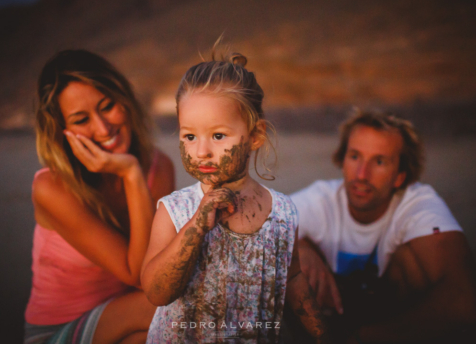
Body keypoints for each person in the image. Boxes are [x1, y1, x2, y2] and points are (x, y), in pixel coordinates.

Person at [140, 51, 331, 343]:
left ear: (255, 136)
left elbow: (292, 280)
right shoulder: (176, 210)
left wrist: (323, 335)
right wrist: (195, 228)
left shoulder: (282, 211)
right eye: (189, 136)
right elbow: (156, 292)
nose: (201, 151)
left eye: (218, 136)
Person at [24, 49, 175, 344]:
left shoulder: (159, 167)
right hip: (57, 332)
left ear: (125, 100)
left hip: (131, 319)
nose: (103, 128)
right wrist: (131, 174)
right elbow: (139, 275)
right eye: (81, 120)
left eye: (107, 106)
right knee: (169, 309)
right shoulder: (51, 188)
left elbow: (160, 265)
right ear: (61, 131)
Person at [291, 109, 476, 343]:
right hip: (326, 322)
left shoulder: (418, 204)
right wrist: (298, 248)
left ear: (400, 176)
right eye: (355, 156)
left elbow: (464, 299)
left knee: (413, 261)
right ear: (342, 159)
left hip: (392, 325)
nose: (361, 174)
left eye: (379, 161)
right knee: (286, 250)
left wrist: (361, 339)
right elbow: (249, 230)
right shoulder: (322, 198)